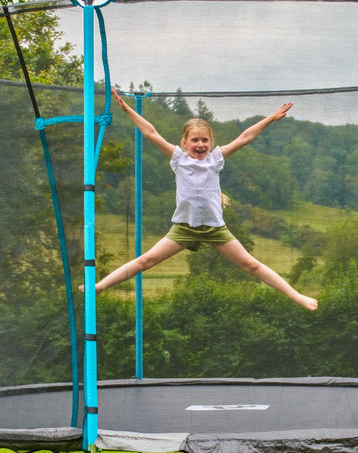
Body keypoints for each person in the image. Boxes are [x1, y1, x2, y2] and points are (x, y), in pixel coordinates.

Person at [80, 89, 318, 311]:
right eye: (194, 140)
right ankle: (100, 286)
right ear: (185, 143)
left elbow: (245, 136)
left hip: (215, 229)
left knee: (250, 265)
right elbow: (150, 132)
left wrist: (271, 118)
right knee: (147, 260)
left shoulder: (215, 158)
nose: (200, 144)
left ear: (210, 142)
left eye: (205, 140)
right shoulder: (178, 159)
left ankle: (296, 296)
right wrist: (128, 110)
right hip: (184, 228)